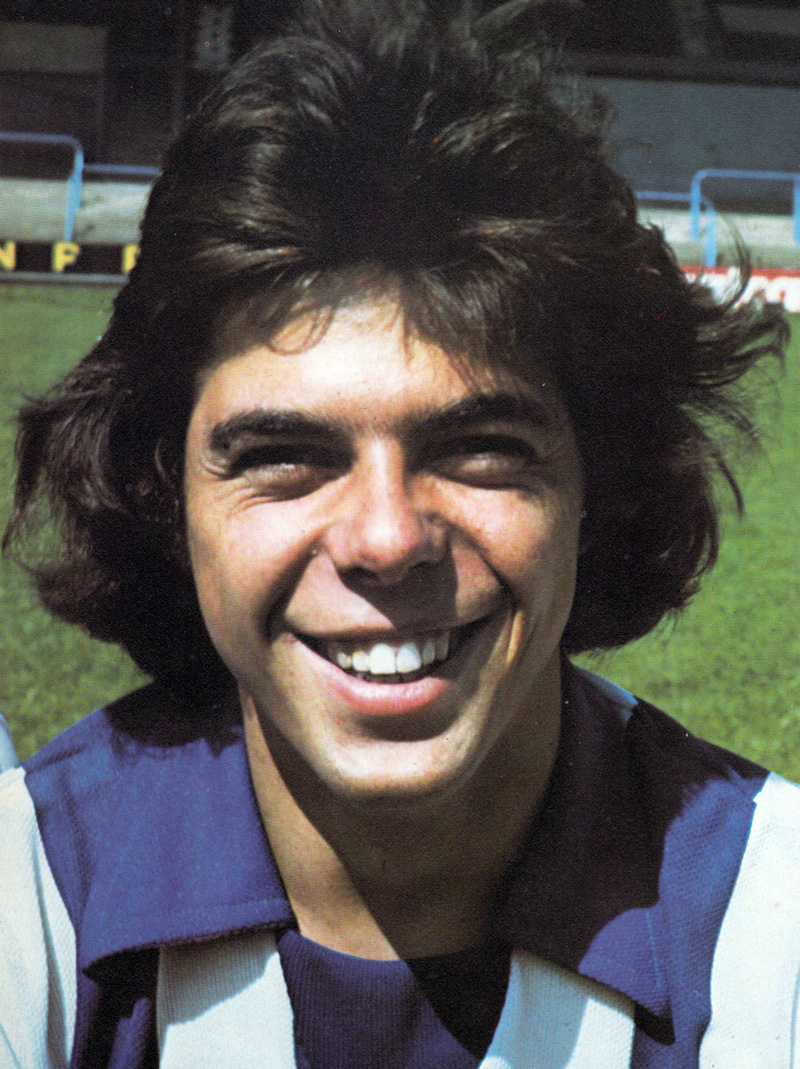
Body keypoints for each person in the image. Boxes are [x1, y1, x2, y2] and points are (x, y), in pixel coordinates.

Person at [1, 2, 797, 1066]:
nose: (385, 539)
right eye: (285, 456)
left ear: (594, 483)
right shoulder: (29, 904)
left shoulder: (769, 930)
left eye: (476, 448)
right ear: (165, 496)